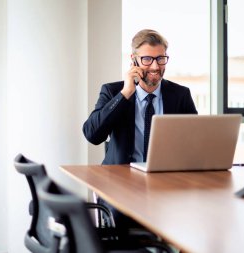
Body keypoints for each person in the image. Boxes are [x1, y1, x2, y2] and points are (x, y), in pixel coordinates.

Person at [83, 29, 198, 230]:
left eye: (161, 59)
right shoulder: (112, 91)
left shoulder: (180, 95)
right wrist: (126, 93)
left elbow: (195, 143)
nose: (155, 66)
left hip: (166, 186)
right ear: (133, 60)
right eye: (147, 59)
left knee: (193, 220)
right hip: (120, 187)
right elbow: (92, 134)